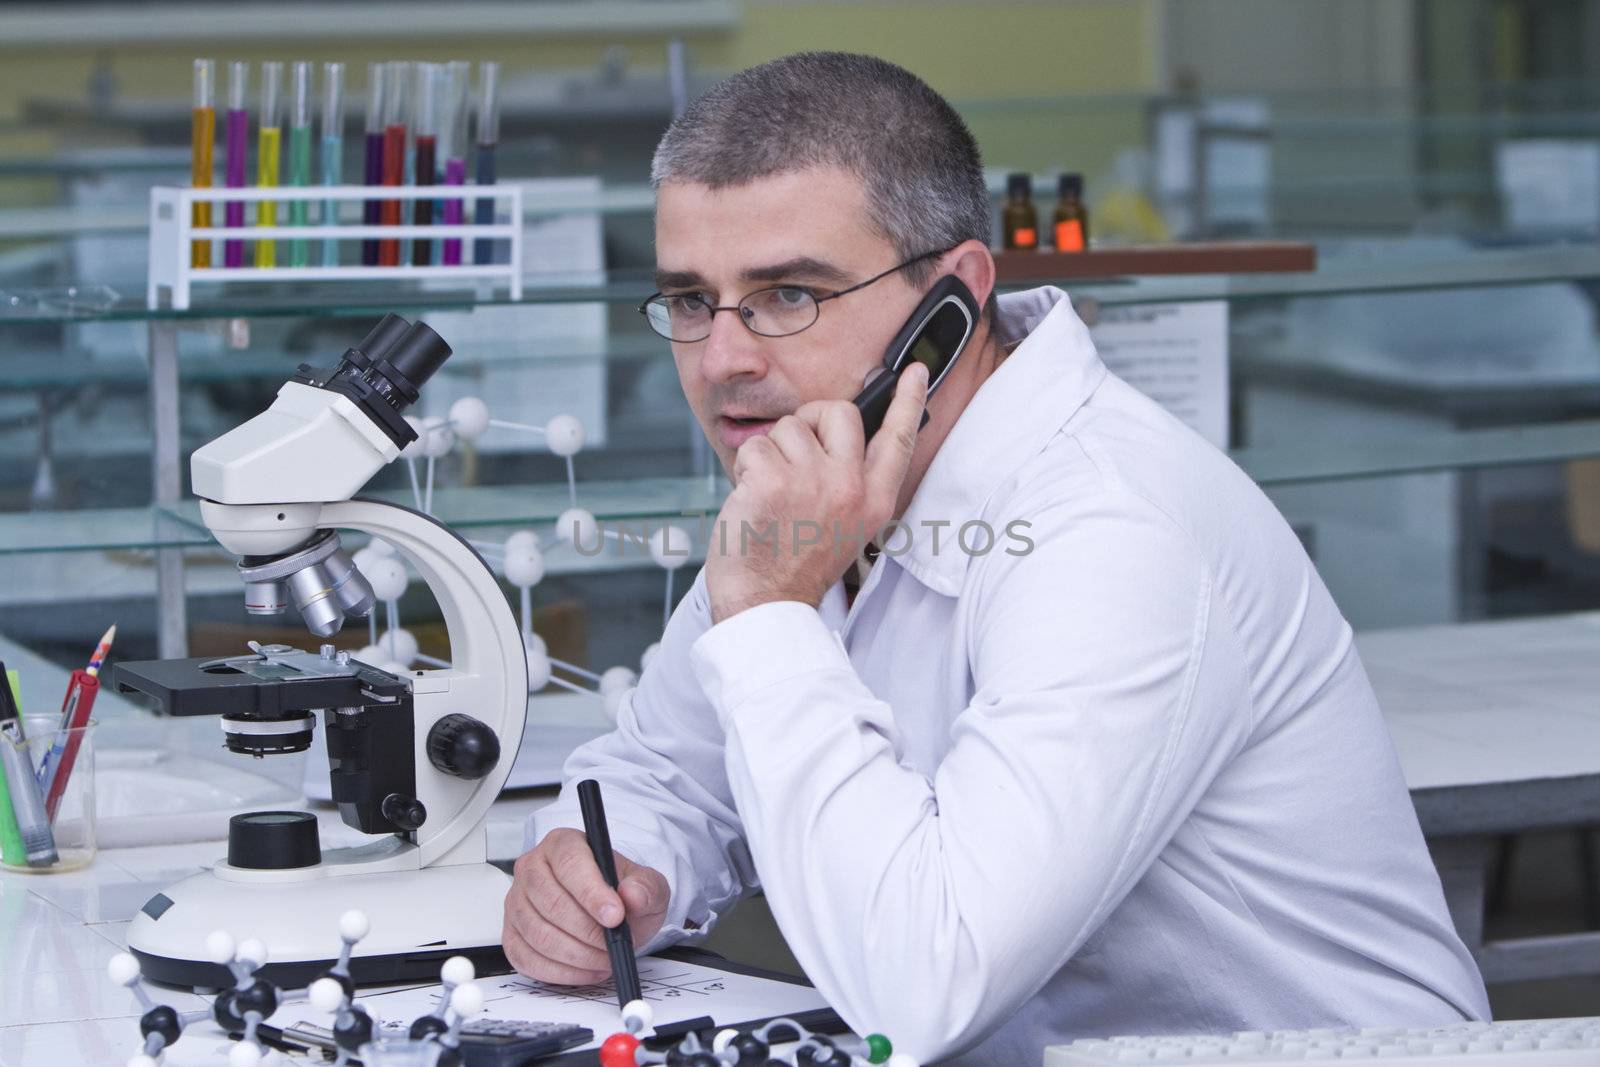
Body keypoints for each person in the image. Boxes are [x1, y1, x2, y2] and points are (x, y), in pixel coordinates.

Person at [504, 52, 1489, 1065]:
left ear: (956, 296)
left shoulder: (1109, 526)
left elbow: (922, 981)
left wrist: (766, 615)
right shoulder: (816, 493)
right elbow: (666, 772)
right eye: (689, 300)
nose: (721, 359)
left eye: (788, 294)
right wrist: (607, 864)